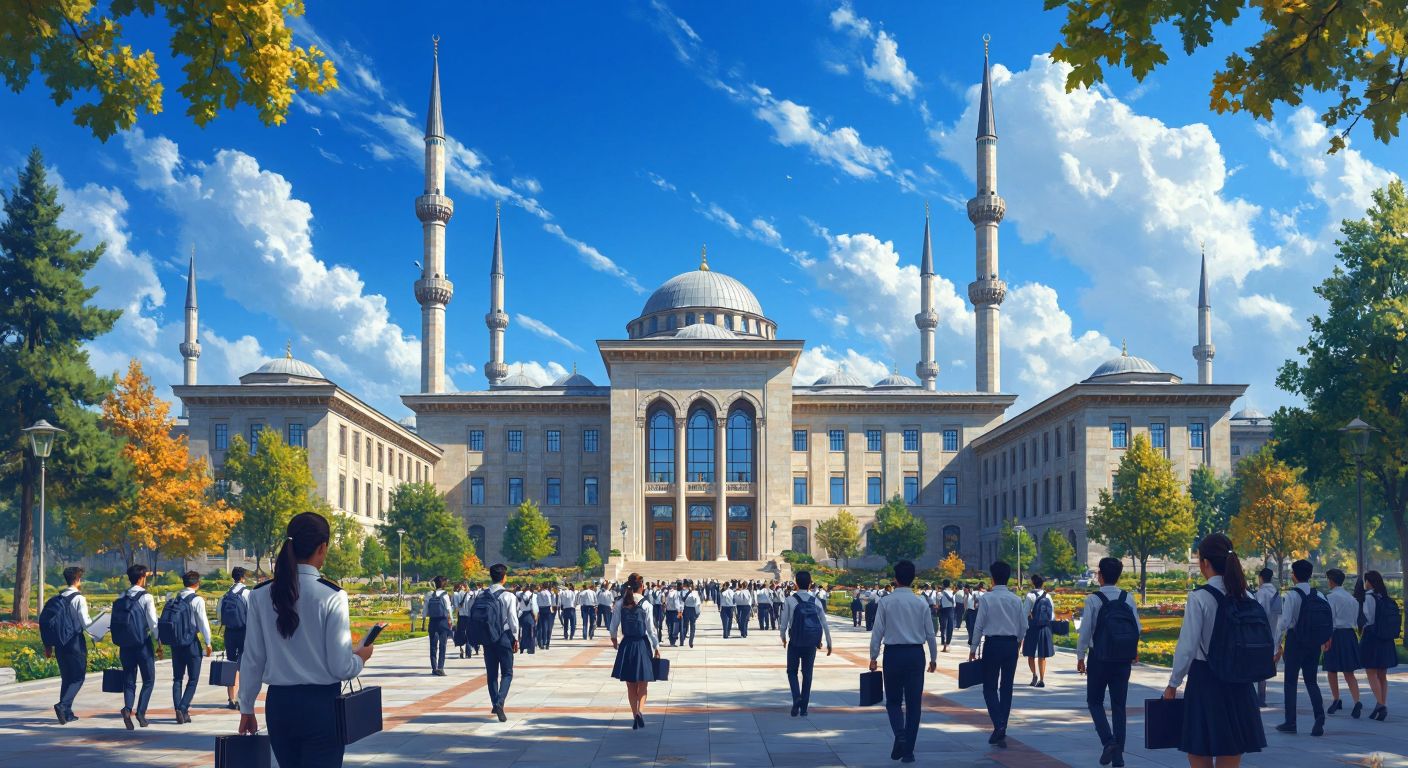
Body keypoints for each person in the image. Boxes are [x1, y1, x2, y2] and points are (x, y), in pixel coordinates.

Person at [237, 512, 374, 768]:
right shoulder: (331, 595)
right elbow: (340, 667)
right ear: (322, 548)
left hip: (279, 706)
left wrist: (246, 706)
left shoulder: (260, 595)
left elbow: (253, 658)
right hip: (322, 707)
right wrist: (360, 657)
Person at [1163, 533, 1266, 766]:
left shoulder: (1199, 597)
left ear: (1205, 563)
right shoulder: (1247, 595)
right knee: (1232, 746)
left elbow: (1187, 646)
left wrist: (1173, 683)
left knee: (1199, 747)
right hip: (1240, 681)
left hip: (1206, 679)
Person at [869, 561, 938, 763]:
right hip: (916, 655)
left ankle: (900, 734)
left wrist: (873, 657)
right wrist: (933, 658)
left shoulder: (886, 602)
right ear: (913, 578)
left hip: (893, 655)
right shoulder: (921, 602)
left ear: (896, 578)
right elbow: (931, 634)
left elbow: (877, 632)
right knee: (914, 704)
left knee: (893, 701)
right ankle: (909, 751)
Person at [1076, 557, 1141, 768]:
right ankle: (1119, 756)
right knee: (1119, 705)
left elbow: (1086, 630)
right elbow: (1136, 628)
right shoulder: (1127, 598)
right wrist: (1134, 649)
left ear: (1100, 575)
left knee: (1094, 702)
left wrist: (1080, 656)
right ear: (1119, 575)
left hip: (1100, 657)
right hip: (1123, 659)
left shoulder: (1093, 599)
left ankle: (1108, 742)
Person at [969, 561, 1025, 749]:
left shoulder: (987, 598)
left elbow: (978, 625)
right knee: (1007, 687)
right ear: (1008, 578)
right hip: (1010, 645)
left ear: (992, 578)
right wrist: (1017, 641)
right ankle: (1002, 726)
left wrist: (973, 647)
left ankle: (998, 724)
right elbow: (1023, 626)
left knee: (990, 687)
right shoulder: (1016, 599)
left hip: (992, 644)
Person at [1273, 559, 1327, 736]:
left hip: (1296, 642)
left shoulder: (1291, 596)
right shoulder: (1319, 595)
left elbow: (1284, 623)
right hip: (1313, 643)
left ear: (1294, 575)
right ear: (1310, 575)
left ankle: (1291, 722)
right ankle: (1319, 717)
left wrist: (1276, 645)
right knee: (1311, 681)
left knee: (1290, 682)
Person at [111, 563, 161, 730]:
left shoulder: (122, 595)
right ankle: (141, 712)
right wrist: (159, 640)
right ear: (142, 578)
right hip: (142, 644)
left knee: (129, 679)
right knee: (148, 679)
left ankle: (127, 708)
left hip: (125, 644)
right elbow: (153, 622)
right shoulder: (146, 597)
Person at [609, 573, 660, 729]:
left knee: (630, 685)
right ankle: (639, 712)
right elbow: (651, 629)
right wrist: (656, 646)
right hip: (642, 644)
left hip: (627, 645)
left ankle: (633, 715)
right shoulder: (646, 605)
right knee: (643, 684)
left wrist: (614, 638)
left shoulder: (620, 603)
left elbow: (614, 624)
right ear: (642, 587)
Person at [779, 570, 832, 717]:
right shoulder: (816, 601)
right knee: (807, 673)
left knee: (791, 671)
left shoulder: (790, 600)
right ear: (810, 583)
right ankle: (804, 708)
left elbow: (783, 622)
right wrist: (829, 642)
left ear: (796, 583)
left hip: (795, 641)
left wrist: (782, 636)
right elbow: (824, 623)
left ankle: (797, 697)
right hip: (811, 643)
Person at [43, 566, 92, 724]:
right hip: (74, 642)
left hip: (59, 643)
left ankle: (66, 713)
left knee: (67, 678)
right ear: (78, 580)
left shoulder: (56, 599)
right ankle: (63, 705)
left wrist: (48, 645)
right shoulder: (79, 598)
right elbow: (86, 623)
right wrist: (98, 631)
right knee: (78, 678)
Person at [471, 563, 520, 722]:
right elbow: (513, 619)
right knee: (507, 672)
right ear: (504, 577)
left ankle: (494, 702)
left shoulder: (481, 595)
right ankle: (499, 702)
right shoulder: (508, 596)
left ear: (491, 576)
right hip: (504, 636)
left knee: (491, 673)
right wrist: (516, 637)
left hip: (487, 637)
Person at [167, 570, 214, 723]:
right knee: (193, 679)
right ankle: (183, 707)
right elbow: (203, 622)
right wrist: (208, 642)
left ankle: (179, 711)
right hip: (191, 642)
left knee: (177, 678)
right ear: (197, 583)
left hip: (175, 643)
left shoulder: (175, 598)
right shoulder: (197, 600)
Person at [1358, 570, 1399, 722]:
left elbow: (1368, 618)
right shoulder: (1385, 597)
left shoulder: (1369, 597)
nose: (1365, 583)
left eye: (1366, 581)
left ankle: (1381, 704)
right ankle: (1381, 703)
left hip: (1372, 637)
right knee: (1382, 673)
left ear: (1370, 582)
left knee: (1370, 671)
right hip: (1386, 638)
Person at [1321, 568, 1363, 718]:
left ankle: (1336, 698)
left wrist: (1326, 638)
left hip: (1336, 634)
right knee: (1349, 671)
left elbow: (1330, 619)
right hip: (1349, 634)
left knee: (1332, 669)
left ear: (1331, 581)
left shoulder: (1332, 597)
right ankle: (1357, 700)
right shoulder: (1351, 598)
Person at [220, 567, 252, 708]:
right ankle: (241, 697)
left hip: (229, 632)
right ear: (243, 578)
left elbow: (220, 615)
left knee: (231, 664)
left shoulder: (226, 595)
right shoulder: (246, 593)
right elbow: (252, 615)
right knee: (244, 665)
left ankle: (231, 699)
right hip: (243, 631)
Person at [1253, 568, 1282, 707]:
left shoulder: (1260, 593)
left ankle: (1260, 697)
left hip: (1261, 634)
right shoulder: (1276, 594)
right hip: (1274, 632)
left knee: (1258, 666)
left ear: (1260, 578)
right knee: (1265, 666)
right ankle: (1261, 697)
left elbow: (1257, 614)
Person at [1023, 574, 1055, 687]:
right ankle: (1042, 679)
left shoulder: (1030, 596)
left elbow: (1024, 613)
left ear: (1033, 583)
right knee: (1042, 655)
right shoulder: (1048, 596)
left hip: (1032, 627)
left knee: (1030, 653)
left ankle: (1034, 675)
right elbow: (1052, 615)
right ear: (1043, 584)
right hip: (1045, 627)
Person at [424, 576, 453, 675]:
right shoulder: (445, 595)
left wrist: (424, 619)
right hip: (443, 622)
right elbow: (449, 609)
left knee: (433, 646)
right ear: (444, 584)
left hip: (432, 622)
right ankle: (440, 667)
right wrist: (451, 621)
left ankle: (434, 667)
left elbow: (425, 611)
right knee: (442, 645)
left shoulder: (429, 595)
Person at [937, 580, 957, 652]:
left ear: (943, 584)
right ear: (949, 584)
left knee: (943, 626)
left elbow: (938, 603)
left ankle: (943, 642)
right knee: (950, 626)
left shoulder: (941, 593)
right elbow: (954, 603)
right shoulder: (952, 592)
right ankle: (948, 642)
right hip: (951, 610)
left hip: (943, 610)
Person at [535, 583, 557, 650]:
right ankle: (547, 643)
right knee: (549, 627)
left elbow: (537, 603)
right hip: (548, 609)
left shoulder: (538, 594)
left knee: (541, 627)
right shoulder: (550, 593)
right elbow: (553, 603)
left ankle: (541, 643)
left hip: (540, 610)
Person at [681, 580, 701, 648]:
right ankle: (683, 640)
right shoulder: (685, 592)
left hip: (691, 610)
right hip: (688, 609)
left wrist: (697, 612)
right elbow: (683, 600)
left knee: (691, 626)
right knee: (686, 626)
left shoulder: (695, 592)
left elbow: (698, 603)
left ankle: (690, 641)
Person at [517, 587, 537, 655]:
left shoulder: (520, 595)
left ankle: (522, 648)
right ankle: (531, 648)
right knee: (531, 633)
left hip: (522, 615)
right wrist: (535, 616)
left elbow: (518, 607)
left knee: (524, 633)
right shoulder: (532, 595)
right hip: (529, 615)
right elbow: (533, 607)